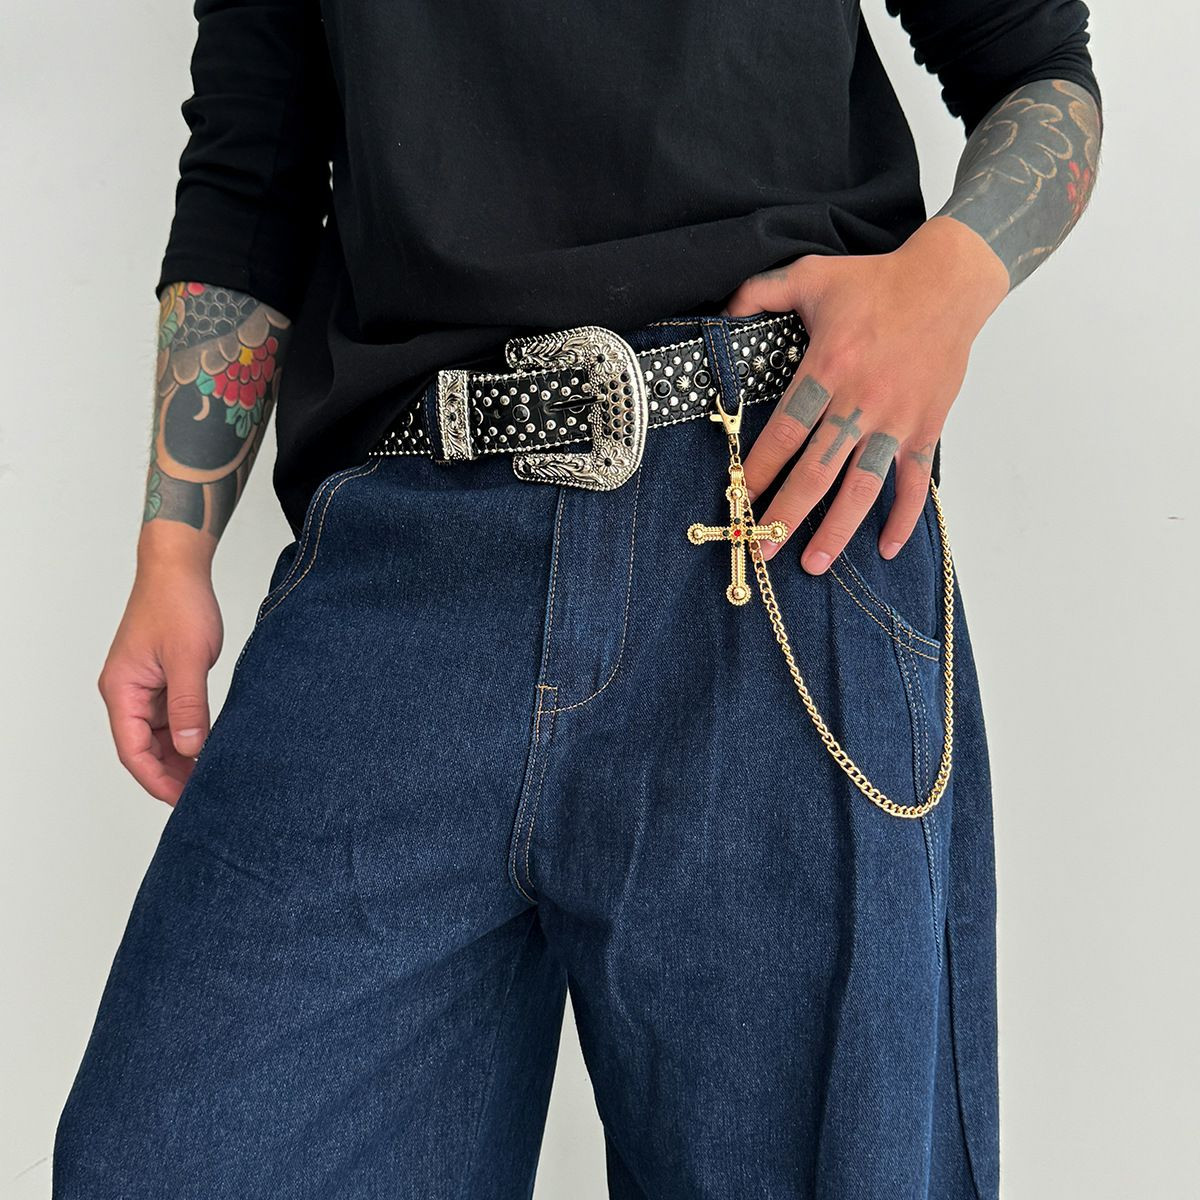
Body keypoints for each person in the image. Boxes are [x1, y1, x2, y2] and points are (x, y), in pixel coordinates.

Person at [54, 2, 1101, 1197]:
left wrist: (943, 289)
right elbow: (253, 165)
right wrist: (173, 550)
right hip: (401, 558)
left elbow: (1037, 69)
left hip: (774, 529)